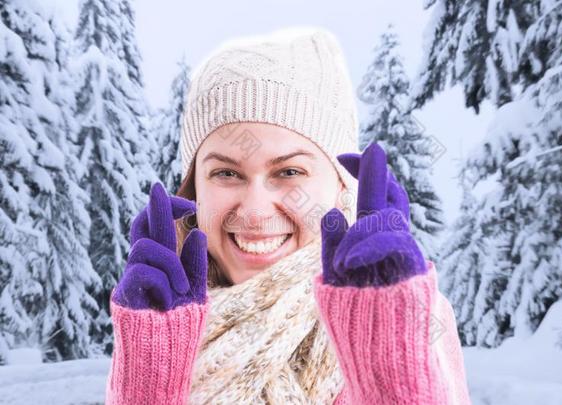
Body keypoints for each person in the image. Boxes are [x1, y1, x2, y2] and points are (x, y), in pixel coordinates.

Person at [104, 27, 472, 404]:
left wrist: (387, 351)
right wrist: (148, 381)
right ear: (194, 188)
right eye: (227, 173)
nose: (255, 210)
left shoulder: (408, 313)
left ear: (341, 185)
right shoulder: (158, 321)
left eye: (289, 172)